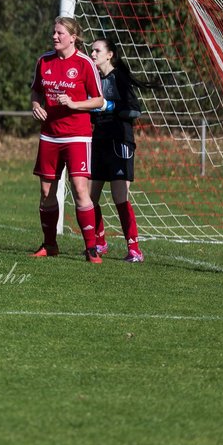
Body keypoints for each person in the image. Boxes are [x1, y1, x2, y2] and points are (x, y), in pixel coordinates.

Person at [29, 16, 105, 262]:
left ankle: (91, 248)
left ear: (73, 37)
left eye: (60, 33)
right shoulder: (44, 61)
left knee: (81, 189)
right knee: (46, 191)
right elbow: (36, 90)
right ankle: (49, 244)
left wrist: (74, 103)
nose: (54, 37)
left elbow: (99, 100)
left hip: (77, 136)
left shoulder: (84, 63)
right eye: (54, 32)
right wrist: (35, 105)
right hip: (49, 135)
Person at [88, 37, 147, 263]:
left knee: (119, 196)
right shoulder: (93, 79)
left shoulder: (119, 78)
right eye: (92, 51)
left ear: (109, 54)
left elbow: (134, 112)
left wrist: (109, 106)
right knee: (89, 196)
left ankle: (134, 250)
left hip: (119, 142)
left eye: (97, 51)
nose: (93, 54)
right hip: (99, 140)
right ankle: (100, 243)